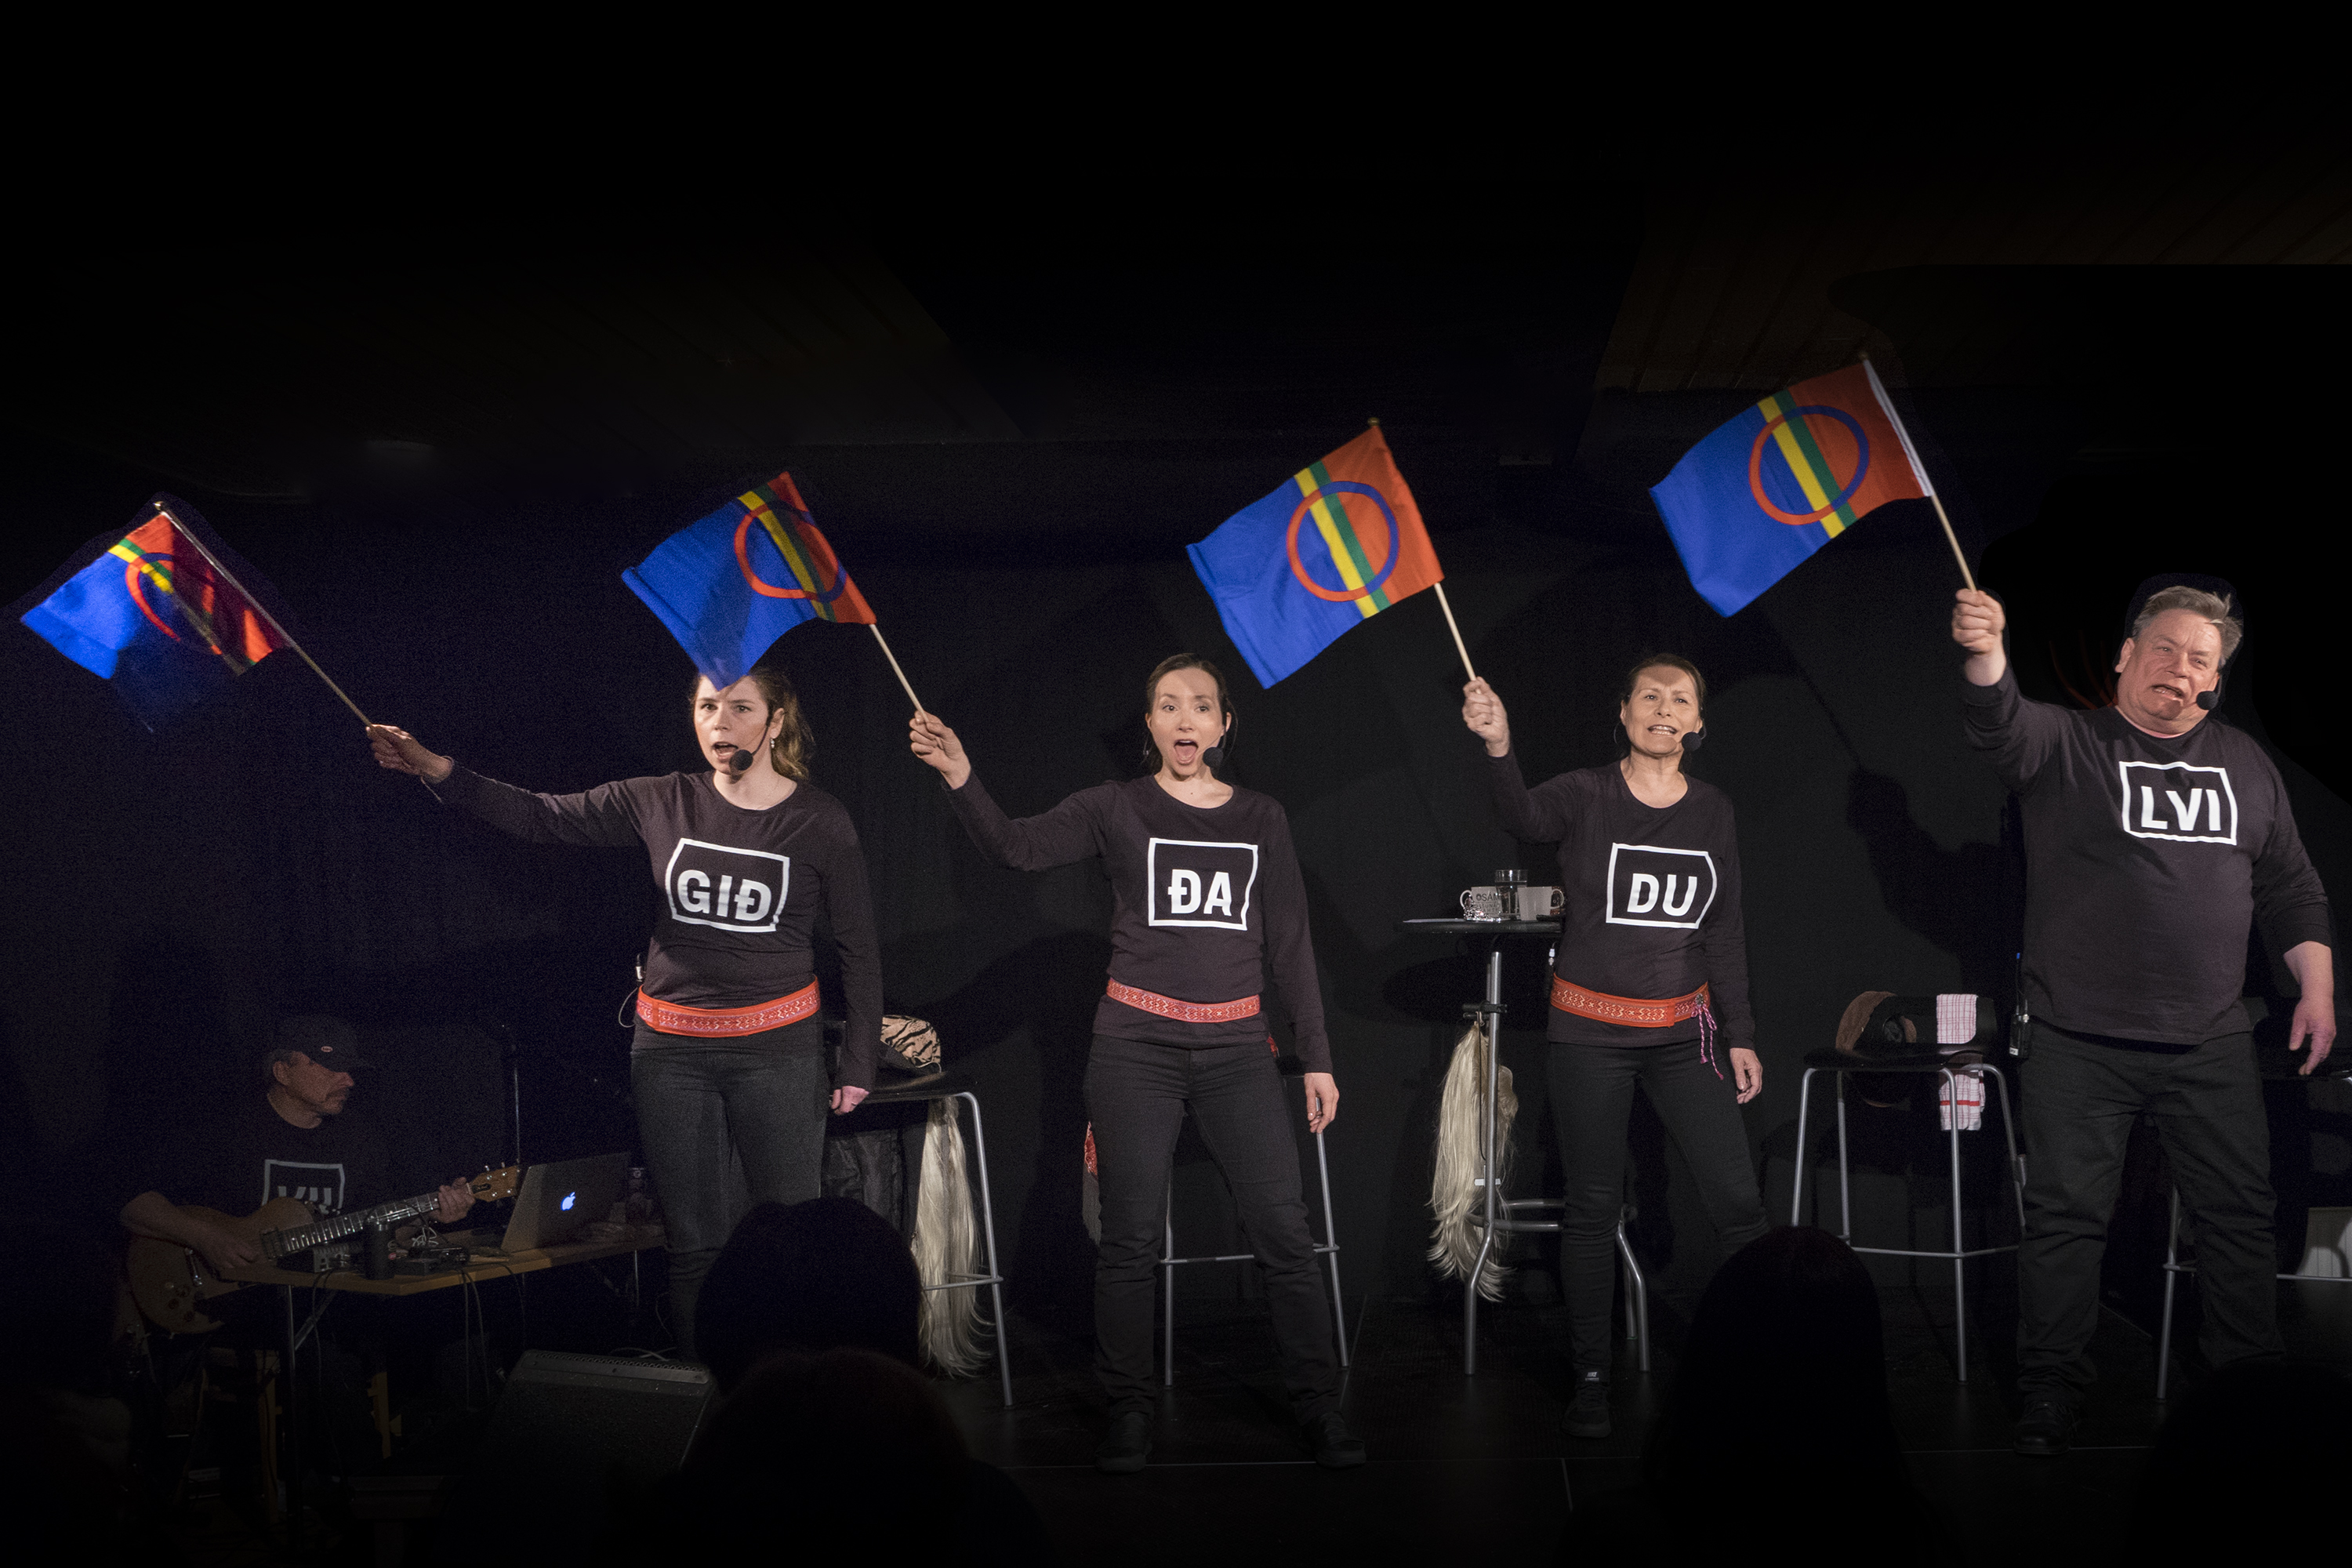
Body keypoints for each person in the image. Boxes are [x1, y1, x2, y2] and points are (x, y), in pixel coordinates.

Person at [907, 654, 1363, 1472]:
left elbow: (1291, 944)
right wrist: (960, 774)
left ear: (1224, 725)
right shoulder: (1113, 806)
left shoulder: (1261, 816)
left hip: (1237, 1051)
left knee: (1284, 1232)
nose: (1185, 718)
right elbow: (1015, 848)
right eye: (1168, 705)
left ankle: (1320, 1405)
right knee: (1129, 1238)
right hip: (1134, 1051)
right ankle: (1129, 1407)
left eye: (1201, 706)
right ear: (1150, 724)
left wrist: (1319, 1057)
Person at [367, 662, 884, 1359]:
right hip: (672, 1056)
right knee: (695, 1247)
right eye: (707, 708)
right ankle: (711, 1397)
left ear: (776, 721)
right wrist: (438, 769)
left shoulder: (819, 820)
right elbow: (541, 816)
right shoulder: (662, 798)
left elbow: (858, 947)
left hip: (777, 1053)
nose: (720, 723)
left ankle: (790, 1392)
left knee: (789, 1239)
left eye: (739, 708)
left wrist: (858, 1061)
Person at [1951, 579, 2333, 1456]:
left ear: (2216, 681)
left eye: (2201, 659)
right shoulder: (2069, 743)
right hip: (2078, 1036)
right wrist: (1986, 652)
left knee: (2238, 1216)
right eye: (2164, 647)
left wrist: (2315, 990)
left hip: (2210, 1037)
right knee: (2065, 1220)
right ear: (2126, 655)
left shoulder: (2245, 763)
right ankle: (2051, 1388)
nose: (2180, 667)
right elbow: (1999, 722)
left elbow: (2291, 887)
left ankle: (2247, 1386)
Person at [1462, 656, 1766, 1440]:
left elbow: (1724, 927)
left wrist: (1740, 1033)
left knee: (1738, 1204)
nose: (1665, 708)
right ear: (1624, 713)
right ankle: (1592, 1377)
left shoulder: (1714, 809)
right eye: (1650, 696)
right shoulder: (1586, 793)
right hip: (1590, 1035)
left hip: (1684, 1035)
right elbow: (1524, 817)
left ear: (1697, 723)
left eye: (1681, 700)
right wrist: (1498, 745)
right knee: (1593, 1207)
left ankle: (1756, 1365)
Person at [118, 1015, 476, 1275]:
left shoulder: (361, 1140)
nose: (348, 1080)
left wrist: (429, 1214)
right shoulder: (224, 1130)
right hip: (226, 1303)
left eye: (350, 1069)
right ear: (282, 1072)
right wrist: (206, 1238)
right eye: (331, 1067)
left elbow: (374, 1232)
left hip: (320, 1302)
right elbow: (129, 1201)